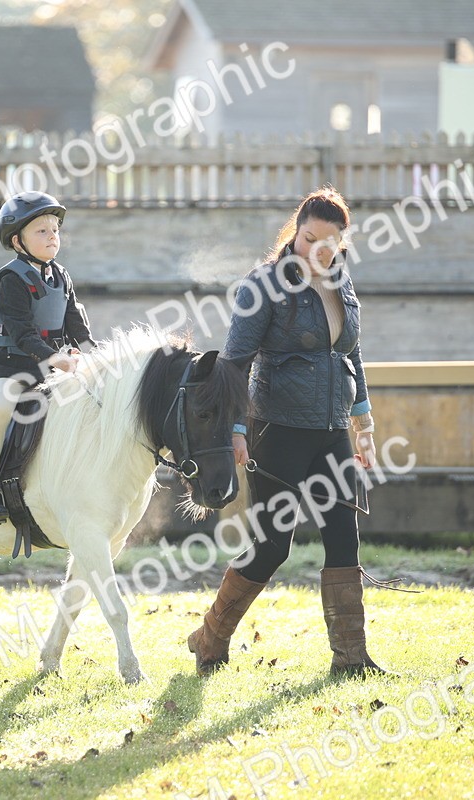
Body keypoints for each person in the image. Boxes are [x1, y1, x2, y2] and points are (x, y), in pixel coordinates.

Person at [187, 186, 385, 677]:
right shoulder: (263, 286)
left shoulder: (343, 284)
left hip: (332, 429)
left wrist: (363, 424)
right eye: (308, 236)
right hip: (276, 429)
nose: (315, 248)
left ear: (342, 244)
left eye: (328, 241)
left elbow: (350, 355)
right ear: (296, 232)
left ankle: (351, 660)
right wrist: (235, 429)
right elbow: (235, 363)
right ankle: (210, 638)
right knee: (273, 546)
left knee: (344, 537)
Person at [0, 191, 94, 524]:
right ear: (17, 241)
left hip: (51, 365)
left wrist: (93, 350)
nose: (52, 235)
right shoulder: (10, 280)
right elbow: (23, 335)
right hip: (12, 367)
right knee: (1, 411)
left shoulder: (61, 276)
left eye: (54, 229)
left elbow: (74, 321)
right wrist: (57, 359)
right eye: (41, 230)